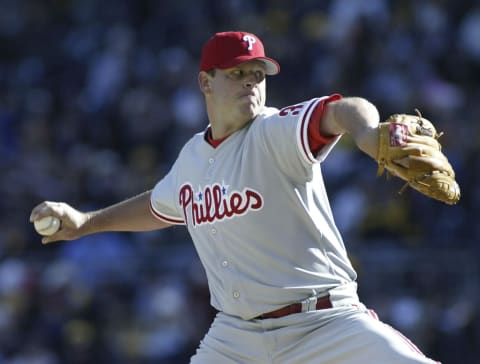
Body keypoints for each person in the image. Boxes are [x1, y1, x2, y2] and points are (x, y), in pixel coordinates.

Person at [30, 31, 440, 363]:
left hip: (325, 323)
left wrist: (368, 133)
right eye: (237, 73)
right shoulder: (192, 157)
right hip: (236, 338)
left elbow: (346, 109)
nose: (250, 82)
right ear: (205, 82)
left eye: (257, 74)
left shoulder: (275, 131)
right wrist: (87, 222)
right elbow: (160, 204)